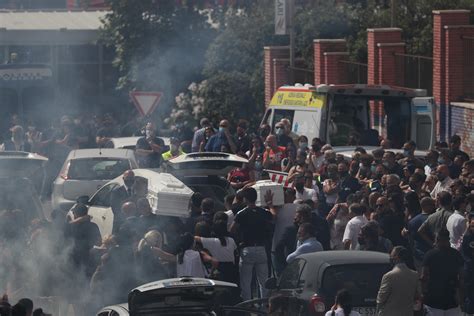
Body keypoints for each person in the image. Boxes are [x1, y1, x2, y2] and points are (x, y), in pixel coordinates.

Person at [230, 187, 273, 301]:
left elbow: (232, 229)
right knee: (263, 282)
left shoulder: (241, 213)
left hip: (247, 249)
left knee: (246, 282)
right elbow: (273, 217)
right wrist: (269, 204)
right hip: (261, 248)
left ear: (245, 199)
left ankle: (247, 307)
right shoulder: (263, 212)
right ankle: (264, 307)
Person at [421, 229, 464, 315]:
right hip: (452, 299)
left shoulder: (430, 255)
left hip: (433, 300)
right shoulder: (456, 255)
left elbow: (424, 276)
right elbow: (462, 278)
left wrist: (423, 294)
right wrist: (461, 298)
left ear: (437, 239)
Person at [376, 246, 420, 316]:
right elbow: (417, 296)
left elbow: (381, 299)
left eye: (392, 255)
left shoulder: (389, 276)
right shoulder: (415, 275)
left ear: (397, 257)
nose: (390, 257)